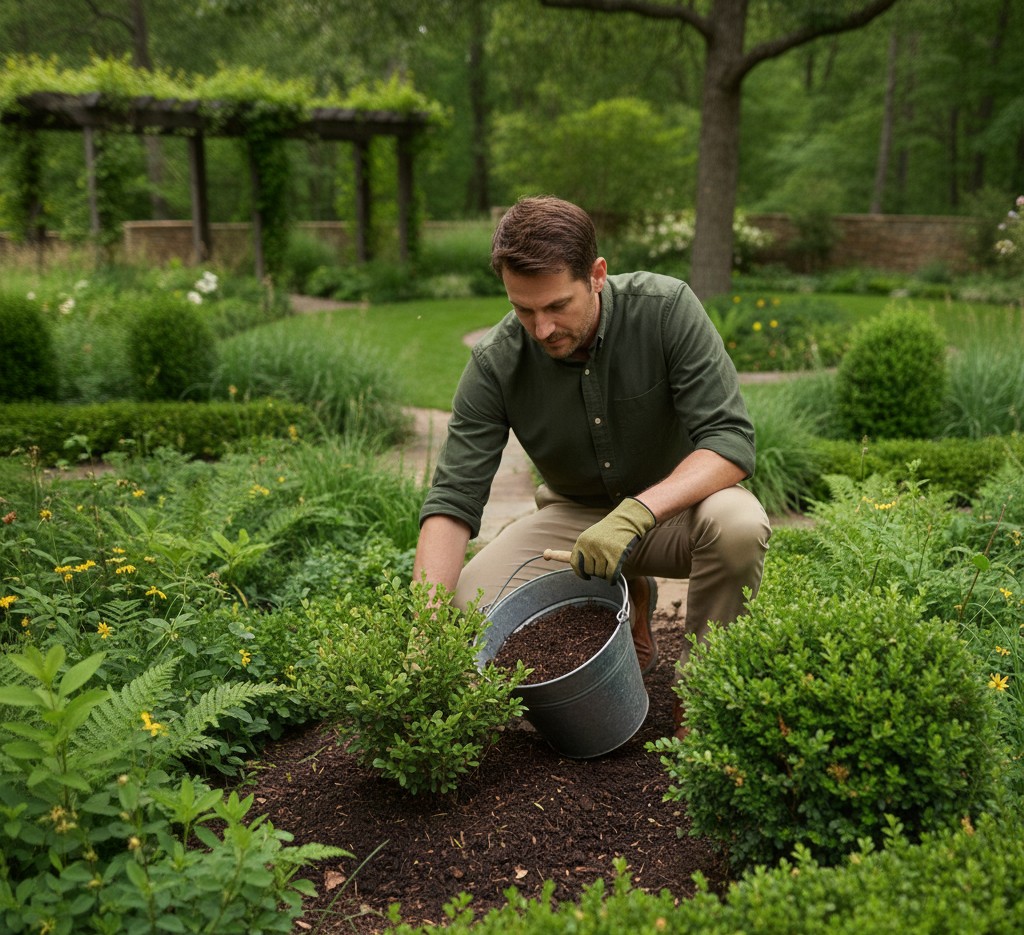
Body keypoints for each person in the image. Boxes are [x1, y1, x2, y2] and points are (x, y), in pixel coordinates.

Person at [412, 195, 771, 739]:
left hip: (679, 509)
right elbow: (454, 499)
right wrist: (425, 634)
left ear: (597, 275)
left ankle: (705, 709)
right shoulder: (496, 363)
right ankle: (627, 597)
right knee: (470, 606)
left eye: (557, 305)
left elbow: (729, 441)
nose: (541, 328)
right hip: (574, 517)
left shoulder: (666, 309)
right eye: (523, 309)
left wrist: (636, 514)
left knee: (740, 528)